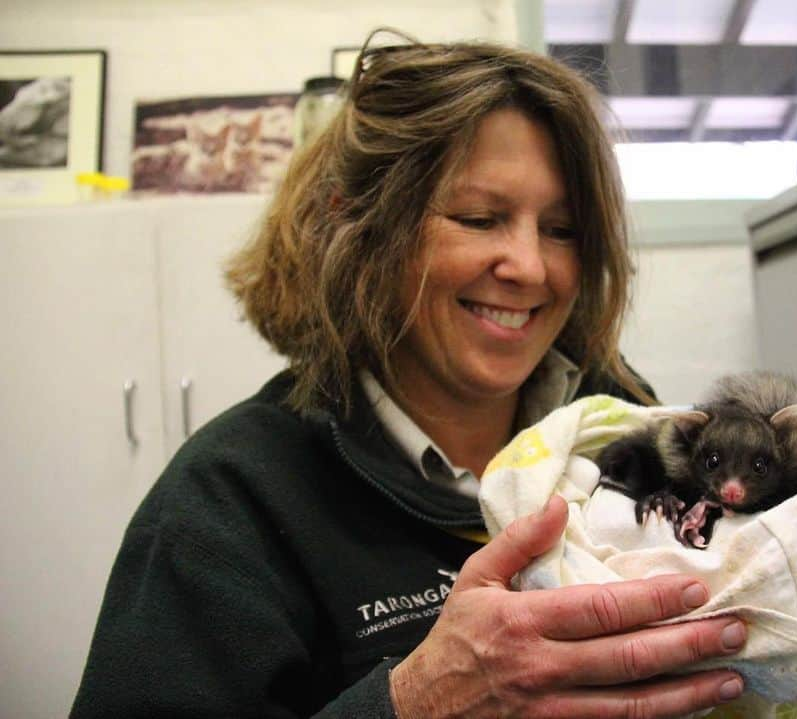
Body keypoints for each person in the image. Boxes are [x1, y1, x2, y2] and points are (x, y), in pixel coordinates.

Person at [71, 33, 748, 719]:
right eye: (480, 219)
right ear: (361, 228)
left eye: (562, 229)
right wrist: (416, 700)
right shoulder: (229, 497)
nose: (530, 267)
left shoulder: (623, 420)